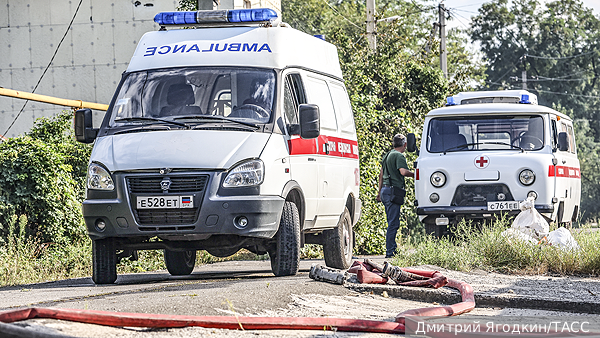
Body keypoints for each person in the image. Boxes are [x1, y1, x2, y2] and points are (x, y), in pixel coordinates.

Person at [376, 134, 415, 258]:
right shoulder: (399, 156)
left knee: (390, 221)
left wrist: (379, 192)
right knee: (393, 223)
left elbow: (381, 174)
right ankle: (390, 252)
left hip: (385, 191)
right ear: (404, 144)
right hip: (393, 191)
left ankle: (391, 249)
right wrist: (416, 174)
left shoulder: (387, 155)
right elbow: (403, 172)